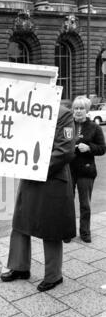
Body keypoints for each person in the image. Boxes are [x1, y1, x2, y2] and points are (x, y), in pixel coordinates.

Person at [1, 105, 76, 292]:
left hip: (51, 176)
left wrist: (35, 169)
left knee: (50, 227)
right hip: (31, 174)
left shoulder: (63, 113)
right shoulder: (26, 109)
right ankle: (19, 267)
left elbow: (65, 150)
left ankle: (53, 275)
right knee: (20, 222)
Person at [69, 96, 106, 243]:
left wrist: (89, 148)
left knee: (85, 204)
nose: (78, 111)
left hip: (86, 170)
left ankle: (85, 232)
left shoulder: (94, 127)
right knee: (68, 204)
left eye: (81, 108)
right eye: (76, 108)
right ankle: (68, 232)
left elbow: (102, 148)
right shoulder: (67, 125)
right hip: (69, 170)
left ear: (87, 110)